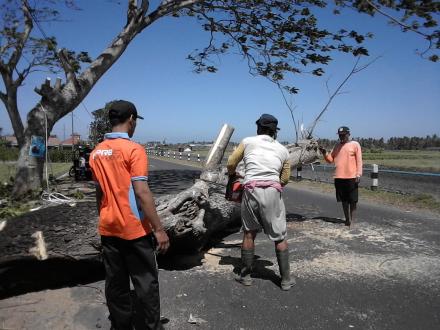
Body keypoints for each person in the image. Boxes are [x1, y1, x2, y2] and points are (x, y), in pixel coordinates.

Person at [89, 100, 169, 330]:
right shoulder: (134, 150)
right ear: (131, 119)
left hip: (109, 228)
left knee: (116, 284)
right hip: (134, 231)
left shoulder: (96, 152)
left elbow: (99, 193)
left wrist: (103, 218)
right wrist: (159, 230)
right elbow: (142, 191)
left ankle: (120, 325)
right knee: (146, 284)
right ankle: (152, 326)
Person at [227, 114, 293, 291]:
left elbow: (231, 162)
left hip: (250, 190)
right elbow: (285, 178)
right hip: (273, 190)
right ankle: (285, 279)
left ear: (258, 128)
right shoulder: (283, 150)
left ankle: (246, 276)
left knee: (249, 233)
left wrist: (233, 173)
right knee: (279, 236)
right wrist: (272, 183)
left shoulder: (247, 142)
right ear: (274, 132)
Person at [319, 126, 363, 227]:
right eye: (340, 135)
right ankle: (347, 219)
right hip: (339, 177)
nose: (341, 137)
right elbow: (330, 160)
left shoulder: (355, 145)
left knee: (353, 200)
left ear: (348, 134)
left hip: (352, 177)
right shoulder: (337, 146)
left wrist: (358, 174)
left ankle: (352, 218)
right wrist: (325, 153)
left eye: (343, 135)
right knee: (343, 200)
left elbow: (359, 161)